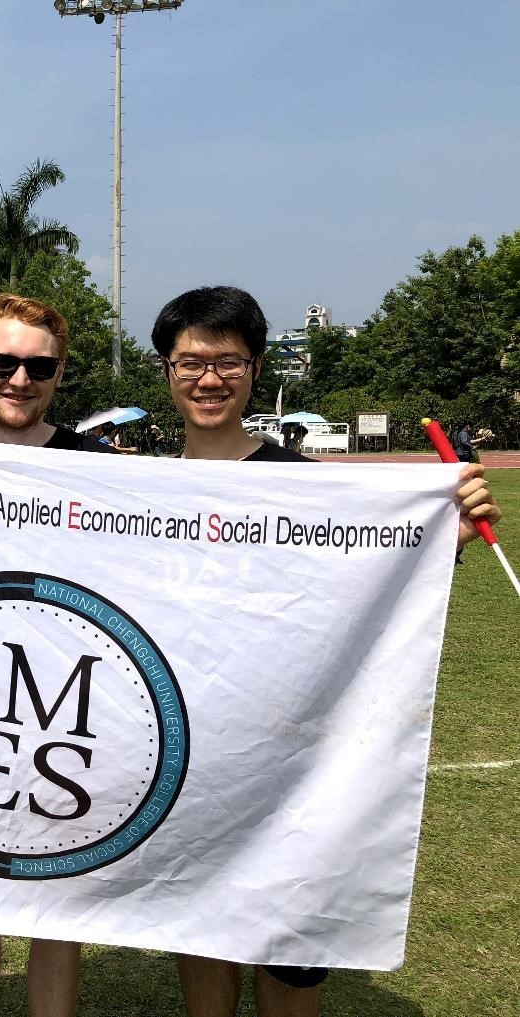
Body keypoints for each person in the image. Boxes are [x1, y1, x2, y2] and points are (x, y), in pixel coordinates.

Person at [150, 285, 501, 1017]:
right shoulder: (138, 486)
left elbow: (373, 573)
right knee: (201, 926)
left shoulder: (313, 488)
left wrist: (445, 540)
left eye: (228, 361)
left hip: (296, 759)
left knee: (291, 945)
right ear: (166, 371)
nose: (208, 378)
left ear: (252, 369)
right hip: (187, 753)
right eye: (190, 362)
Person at [0, 292, 116, 1017]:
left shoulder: (99, 467)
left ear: (59, 373)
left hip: (64, 711)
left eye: (37, 366)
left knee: (55, 896)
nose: (19, 379)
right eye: (4, 362)